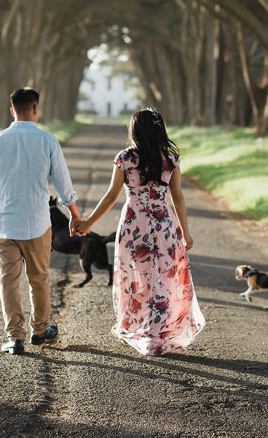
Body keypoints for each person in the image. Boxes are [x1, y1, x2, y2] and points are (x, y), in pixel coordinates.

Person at [75, 108, 205, 356]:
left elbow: (111, 196)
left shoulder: (125, 158)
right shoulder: (170, 158)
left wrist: (88, 223)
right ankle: (158, 330)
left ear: (134, 131)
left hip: (134, 225)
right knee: (163, 276)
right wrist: (185, 233)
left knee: (137, 276)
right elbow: (178, 197)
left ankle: (141, 328)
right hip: (164, 223)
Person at [0, 88, 81, 355]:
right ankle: (40, 329)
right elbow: (64, 185)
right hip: (37, 223)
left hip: (3, 225)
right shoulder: (47, 141)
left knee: (8, 282)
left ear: (12, 110)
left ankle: (15, 337)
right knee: (39, 278)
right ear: (35, 109)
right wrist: (75, 215)